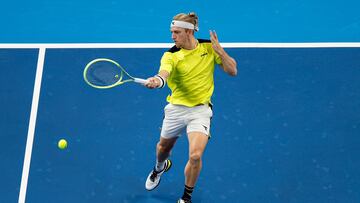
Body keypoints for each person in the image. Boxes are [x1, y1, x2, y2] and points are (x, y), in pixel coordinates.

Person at [144, 12, 237, 203]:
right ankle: (159, 167)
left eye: (176, 32)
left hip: (200, 110)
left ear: (189, 31)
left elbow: (232, 71)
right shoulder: (171, 55)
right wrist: (157, 80)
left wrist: (220, 51)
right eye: (172, 32)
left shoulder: (208, 47)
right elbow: (164, 74)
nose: (172, 36)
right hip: (176, 108)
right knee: (163, 148)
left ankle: (186, 197)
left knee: (195, 156)